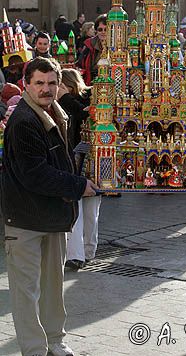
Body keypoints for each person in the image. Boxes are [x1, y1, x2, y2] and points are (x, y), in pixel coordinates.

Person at [1, 57, 99, 356]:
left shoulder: (56, 113)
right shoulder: (24, 121)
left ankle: (55, 340)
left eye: (51, 83)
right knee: (26, 291)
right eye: (39, 83)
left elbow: (61, 162)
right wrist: (77, 186)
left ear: (59, 85)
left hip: (52, 216)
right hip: (25, 219)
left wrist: (84, 175)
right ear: (26, 85)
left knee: (53, 287)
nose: (46, 89)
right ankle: (34, 349)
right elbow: (35, 174)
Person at [78, 15, 107, 85]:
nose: (103, 32)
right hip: (91, 83)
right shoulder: (89, 44)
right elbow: (81, 64)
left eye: (106, 29)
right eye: (100, 29)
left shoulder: (117, 45)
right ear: (96, 31)